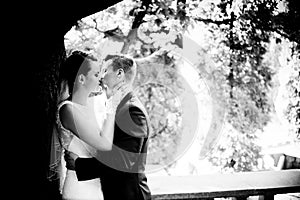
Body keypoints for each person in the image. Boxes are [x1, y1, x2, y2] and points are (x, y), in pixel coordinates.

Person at [64, 54, 152, 200]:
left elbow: (123, 162)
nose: (101, 77)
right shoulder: (119, 105)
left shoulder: (131, 110)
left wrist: (80, 165)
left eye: (105, 71)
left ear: (119, 73)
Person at [49, 50, 126, 200]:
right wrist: (112, 105)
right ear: (82, 79)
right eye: (96, 74)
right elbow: (104, 144)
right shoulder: (68, 109)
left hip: (95, 187)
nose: (101, 78)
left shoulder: (91, 107)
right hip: (79, 190)